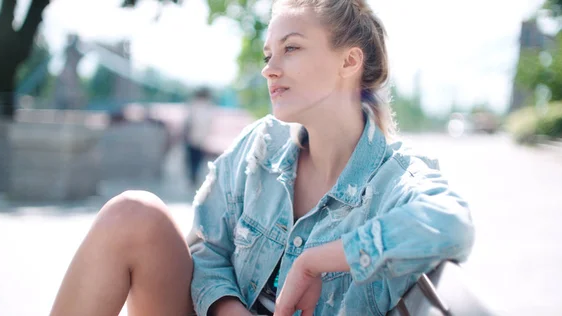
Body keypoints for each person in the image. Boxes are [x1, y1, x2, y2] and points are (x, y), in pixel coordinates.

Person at [50, 0, 474, 315]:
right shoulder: (261, 145)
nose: (269, 69)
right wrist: (228, 309)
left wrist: (316, 261)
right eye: (269, 55)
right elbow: (207, 246)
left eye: (291, 49)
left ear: (349, 61)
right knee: (132, 213)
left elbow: (453, 222)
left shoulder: (394, 180)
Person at [183, 87, 216, 185]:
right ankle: (194, 176)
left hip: (193, 138)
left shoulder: (194, 105)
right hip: (200, 139)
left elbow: (188, 122)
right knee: (196, 159)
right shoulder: (208, 107)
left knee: (192, 159)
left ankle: (193, 177)